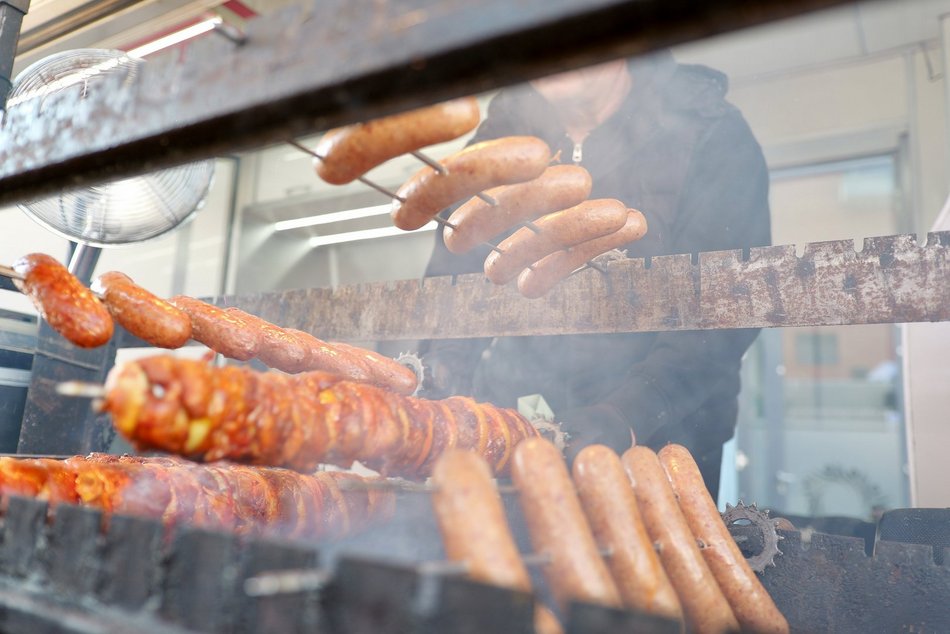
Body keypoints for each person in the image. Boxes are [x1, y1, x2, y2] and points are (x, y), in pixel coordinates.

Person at [420, 51, 771, 500]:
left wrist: (627, 414)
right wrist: (439, 373)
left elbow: (726, 309)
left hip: (662, 435)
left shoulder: (710, 132)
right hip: (517, 428)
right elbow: (450, 286)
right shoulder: (496, 144)